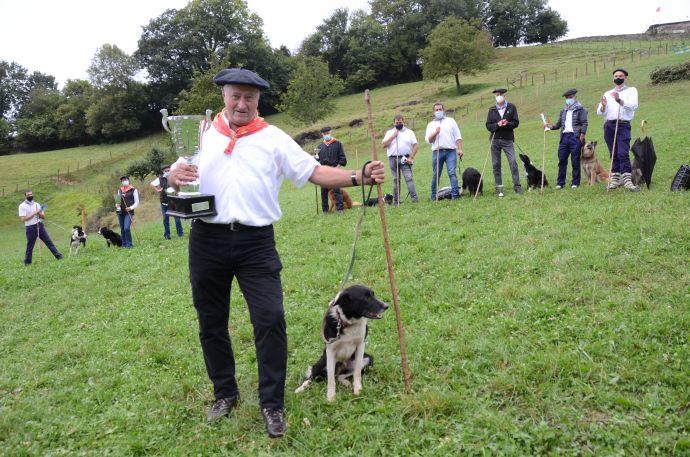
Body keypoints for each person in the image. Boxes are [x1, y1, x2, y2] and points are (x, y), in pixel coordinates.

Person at [167, 68, 385, 438]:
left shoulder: (273, 138)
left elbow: (314, 172)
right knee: (211, 321)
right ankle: (225, 394)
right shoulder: (201, 133)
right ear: (223, 96)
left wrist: (358, 176)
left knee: (270, 319)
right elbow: (178, 171)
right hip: (207, 240)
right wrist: (173, 176)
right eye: (235, 96)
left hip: (256, 242)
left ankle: (272, 404)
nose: (242, 103)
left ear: (258, 100)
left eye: (249, 97)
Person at [596, 68, 640, 192]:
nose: (618, 78)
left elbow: (633, 106)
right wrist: (603, 105)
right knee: (613, 153)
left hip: (623, 125)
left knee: (622, 152)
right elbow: (599, 113)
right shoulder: (607, 93)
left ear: (625, 78)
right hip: (609, 125)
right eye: (616, 76)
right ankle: (615, 179)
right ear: (613, 78)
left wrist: (620, 100)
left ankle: (627, 180)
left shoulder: (631, 90)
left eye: (620, 76)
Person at [545, 88, 588, 189]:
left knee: (575, 160)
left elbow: (584, 123)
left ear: (575, 97)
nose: (569, 99)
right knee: (562, 160)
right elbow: (558, 125)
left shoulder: (581, 110)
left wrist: (582, 135)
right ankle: (560, 183)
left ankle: (575, 183)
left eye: (570, 97)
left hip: (575, 137)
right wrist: (550, 126)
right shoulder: (563, 111)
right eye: (567, 98)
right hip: (564, 138)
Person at [485, 88, 521, 197]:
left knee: (513, 161)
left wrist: (507, 123)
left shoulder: (511, 107)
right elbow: (488, 126)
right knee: (496, 164)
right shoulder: (491, 109)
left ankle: (517, 186)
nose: (498, 96)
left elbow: (516, 122)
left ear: (504, 95)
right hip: (495, 140)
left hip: (507, 139)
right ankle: (499, 188)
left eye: (500, 94)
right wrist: (497, 125)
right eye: (497, 95)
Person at [425, 102, 463, 200]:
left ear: (443, 110)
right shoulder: (431, 125)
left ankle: (455, 195)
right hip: (437, 152)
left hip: (451, 151)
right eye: (436, 110)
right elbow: (429, 140)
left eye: (440, 109)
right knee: (436, 174)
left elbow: (457, 136)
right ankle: (433, 196)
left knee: (452, 172)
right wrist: (435, 133)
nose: (438, 111)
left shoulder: (451, 121)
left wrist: (459, 149)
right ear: (433, 112)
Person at [381, 114, 419, 204]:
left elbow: (416, 145)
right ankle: (396, 201)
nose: (399, 124)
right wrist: (393, 136)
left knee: (409, 178)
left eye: (400, 122)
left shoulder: (409, 132)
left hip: (405, 158)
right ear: (394, 123)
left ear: (403, 122)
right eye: (397, 123)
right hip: (392, 159)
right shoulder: (389, 132)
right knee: (395, 180)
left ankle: (415, 199)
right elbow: (383, 145)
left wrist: (411, 157)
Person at [18, 190, 62, 265]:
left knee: (48, 241)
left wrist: (39, 213)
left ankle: (58, 256)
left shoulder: (37, 204)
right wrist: (34, 213)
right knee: (30, 246)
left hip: (39, 225)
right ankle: (27, 262)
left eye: (31, 194)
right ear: (25, 196)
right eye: (28, 195)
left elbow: (43, 216)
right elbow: (23, 219)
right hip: (30, 228)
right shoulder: (22, 206)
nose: (30, 196)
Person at [316, 126, 347, 213]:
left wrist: (337, 167)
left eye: (328, 133)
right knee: (324, 192)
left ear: (331, 132)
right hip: (323, 172)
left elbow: (342, 158)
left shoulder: (338, 143)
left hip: (334, 170)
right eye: (325, 134)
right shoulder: (319, 147)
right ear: (322, 134)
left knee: (336, 190)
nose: (327, 135)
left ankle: (340, 209)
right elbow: (316, 159)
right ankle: (325, 210)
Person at [151, 164, 183, 239]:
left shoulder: (174, 177)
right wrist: (158, 190)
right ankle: (167, 235)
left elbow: (179, 185)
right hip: (164, 201)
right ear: (163, 171)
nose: (168, 172)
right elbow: (152, 184)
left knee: (177, 217)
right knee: (165, 218)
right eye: (166, 171)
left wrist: (178, 192)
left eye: (169, 170)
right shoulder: (160, 179)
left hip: (174, 201)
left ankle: (180, 233)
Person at [116, 175, 139, 248]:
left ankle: (129, 244)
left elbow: (137, 202)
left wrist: (131, 207)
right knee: (122, 228)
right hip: (120, 212)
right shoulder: (119, 190)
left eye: (125, 179)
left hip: (129, 212)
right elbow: (118, 201)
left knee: (126, 228)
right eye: (122, 180)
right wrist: (117, 205)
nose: (124, 181)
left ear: (128, 180)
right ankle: (124, 244)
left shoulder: (134, 190)